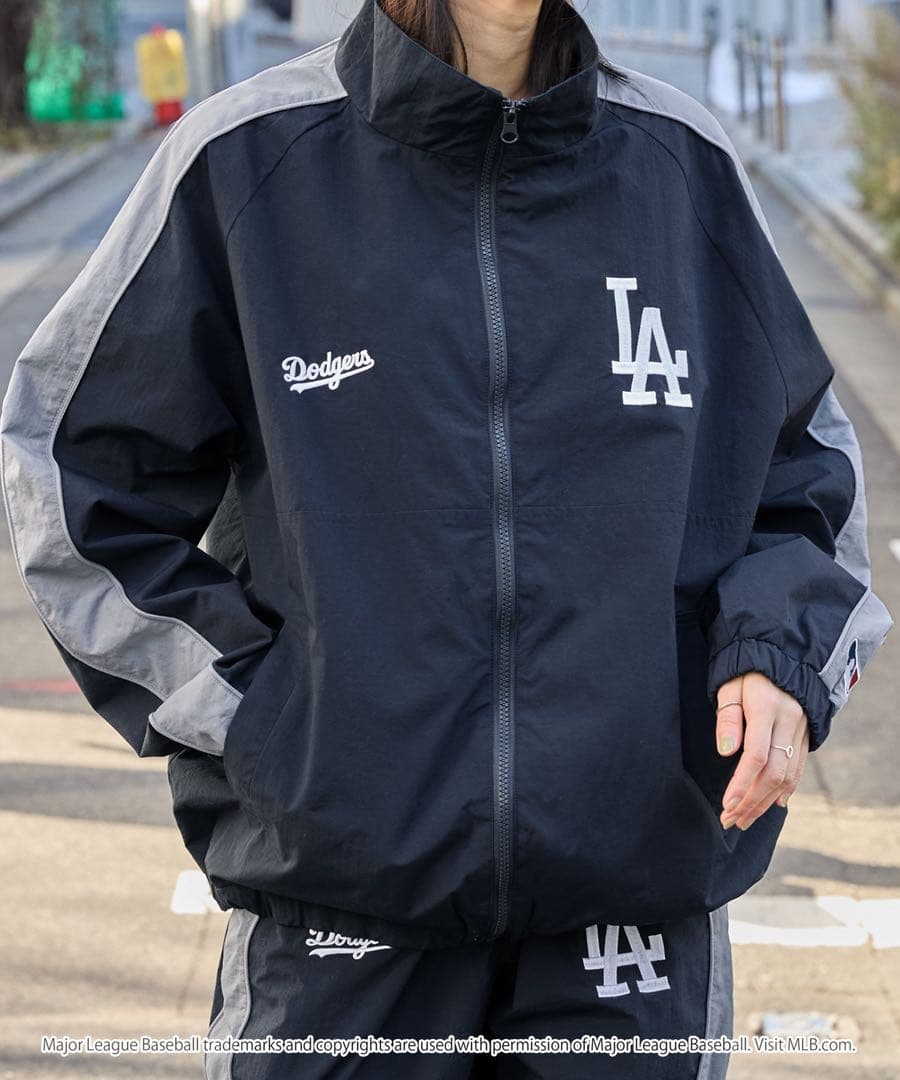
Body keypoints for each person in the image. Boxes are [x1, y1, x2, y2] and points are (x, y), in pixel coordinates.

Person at [0, 0, 893, 1076]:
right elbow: (71, 475)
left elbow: (805, 473)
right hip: (340, 925)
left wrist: (775, 656)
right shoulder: (245, 165)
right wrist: (261, 717)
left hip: (630, 920)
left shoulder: (680, 170)